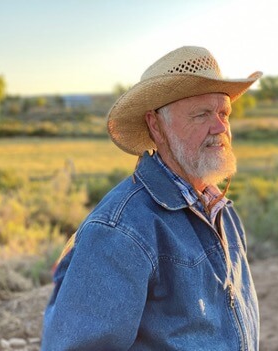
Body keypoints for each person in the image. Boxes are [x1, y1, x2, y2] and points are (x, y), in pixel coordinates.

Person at [42, 46, 262, 350]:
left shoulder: (221, 211)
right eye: (201, 115)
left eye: (224, 113)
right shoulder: (119, 231)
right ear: (155, 126)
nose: (220, 127)